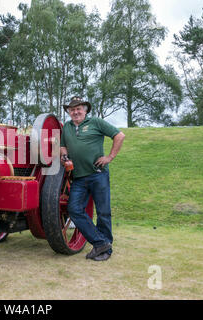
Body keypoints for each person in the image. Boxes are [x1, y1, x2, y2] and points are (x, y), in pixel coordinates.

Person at [60, 96, 125, 261]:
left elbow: (119, 135)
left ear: (85, 109)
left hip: (98, 174)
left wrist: (109, 157)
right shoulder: (66, 127)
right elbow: (62, 146)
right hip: (79, 178)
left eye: (78, 108)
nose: (75, 112)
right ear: (68, 111)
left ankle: (105, 249)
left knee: (103, 212)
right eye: (72, 109)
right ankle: (101, 242)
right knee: (74, 210)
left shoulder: (96, 122)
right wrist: (65, 156)